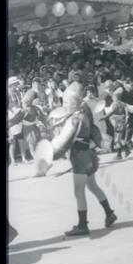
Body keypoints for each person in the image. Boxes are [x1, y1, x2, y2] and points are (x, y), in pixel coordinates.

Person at [50, 82, 117, 236]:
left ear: (74, 101)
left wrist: (51, 154)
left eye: (66, 101)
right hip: (90, 154)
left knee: (79, 192)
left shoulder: (75, 119)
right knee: (93, 186)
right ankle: (109, 213)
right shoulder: (85, 111)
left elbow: (64, 142)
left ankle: (82, 225)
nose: (64, 104)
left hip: (80, 156)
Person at [98, 83, 132, 160]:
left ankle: (119, 154)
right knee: (119, 139)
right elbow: (127, 111)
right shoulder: (121, 103)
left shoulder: (115, 104)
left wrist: (104, 117)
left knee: (117, 140)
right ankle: (126, 150)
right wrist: (126, 119)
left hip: (118, 123)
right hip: (121, 122)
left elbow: (111, 113)